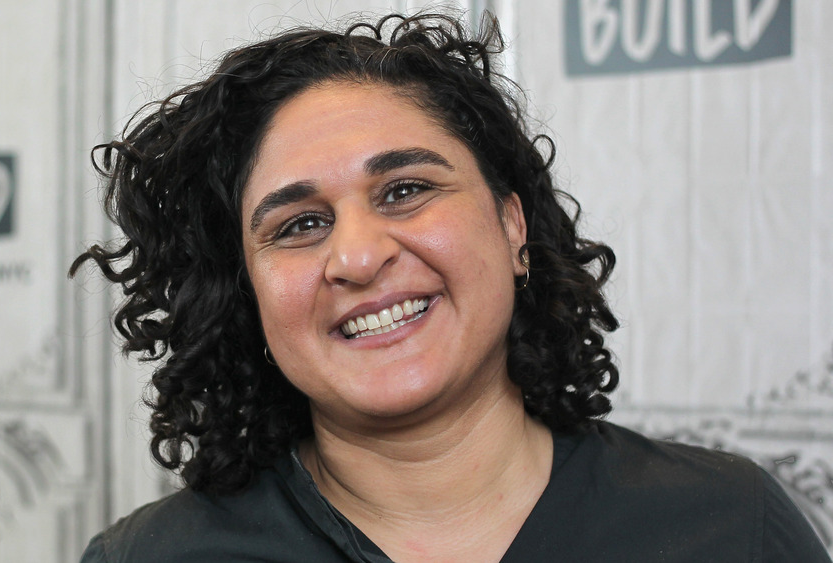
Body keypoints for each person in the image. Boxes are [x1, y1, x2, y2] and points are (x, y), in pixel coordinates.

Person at [72, 11, 831, 563]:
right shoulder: (151, 558)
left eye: (404, 190)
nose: (359, 256)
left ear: (512, 226)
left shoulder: (730, 526)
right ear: (248, 292)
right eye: (299, 224)